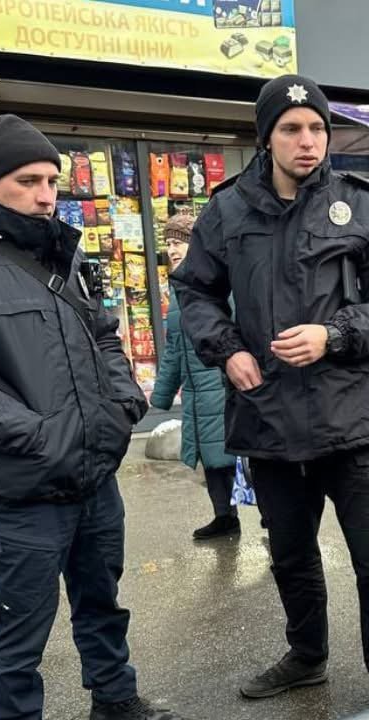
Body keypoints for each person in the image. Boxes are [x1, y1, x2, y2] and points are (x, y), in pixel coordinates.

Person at [0, 115, 184, 720]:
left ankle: (114, 705)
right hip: (19, 487)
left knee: (101, 603)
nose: (47, 194)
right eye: (29, 181)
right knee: (19, 624)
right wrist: (41, 435)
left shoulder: (61, 256)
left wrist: (122, 407)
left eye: (52, 180)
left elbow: (106, 338)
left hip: (91, 476)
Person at [173, 75, 369, 705]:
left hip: (353, 423)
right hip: (270, 420)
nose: (307, 141)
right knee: (290, 556)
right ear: (266, 137)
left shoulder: (362, 205)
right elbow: (195, 291)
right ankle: (307, 656)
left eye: (317, 128)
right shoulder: (227, 209)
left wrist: (333, 334)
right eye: (291, 129)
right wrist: (227, 351)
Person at [151, 211, 240, 541]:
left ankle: (272, 518)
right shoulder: (177, 290)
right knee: (211, 460)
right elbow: (174, 348)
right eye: (169, 244)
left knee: (238, 458)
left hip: (221, 385)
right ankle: (224, 516)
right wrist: (160, 397)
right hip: (196, 392)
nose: (173, 250)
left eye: (179, 243)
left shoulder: (217, 282)